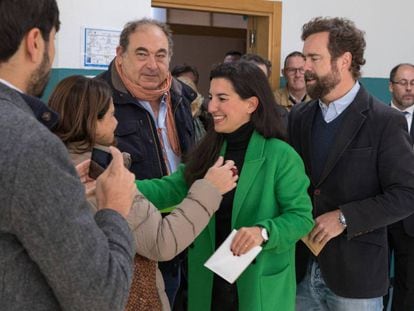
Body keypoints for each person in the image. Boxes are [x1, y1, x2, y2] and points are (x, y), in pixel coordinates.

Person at [48, 75, 238, 310]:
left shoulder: (54, 164)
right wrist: (210, 189)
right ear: (92, 122)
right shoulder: (99, 176)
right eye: (111, 115)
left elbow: (148, 194)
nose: (116, 123)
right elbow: (162, 241)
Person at [137, 61, 314, 310]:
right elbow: (168, 190)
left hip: (257, 286)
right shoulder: (208, 151)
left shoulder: (281, 155)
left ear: (251, 104)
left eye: (222, 98)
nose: (211, 107)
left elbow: (301, 217)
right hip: (209, 282)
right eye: (211, 97)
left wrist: (263, 232)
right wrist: (116, 187)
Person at [0, 1, 138, 310]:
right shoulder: (31, 144)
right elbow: (100, 296)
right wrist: (113, 209)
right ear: (35, 43)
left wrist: (54, 189)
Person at [288, 17, 414, 311]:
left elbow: (408, 193)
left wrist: (345, 217)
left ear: (344, 61)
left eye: (314, 58)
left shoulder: (385, 121)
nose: (305, 67)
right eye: (305, 57)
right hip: (298, 271)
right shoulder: (298, 118)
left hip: (356, 277)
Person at [97, 18, 196, 307]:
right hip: (133, 242)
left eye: (160, 55)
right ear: (120, 54)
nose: (153, 64)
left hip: (184, 231)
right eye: (142, 54)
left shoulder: (181, 96)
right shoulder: (98, 99)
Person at [387, 63, 414, 311]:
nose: (409, 88)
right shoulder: (374, 118)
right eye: (403, 82)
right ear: (390, 86)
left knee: (408, 285)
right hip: (378, 215)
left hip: (411, 217)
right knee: (376, 283)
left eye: (413, 83)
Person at [171, 64, 207, 141]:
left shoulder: (206, 114)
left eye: (191, 83)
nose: (187, 88)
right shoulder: (166, 113)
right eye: (183, 83)